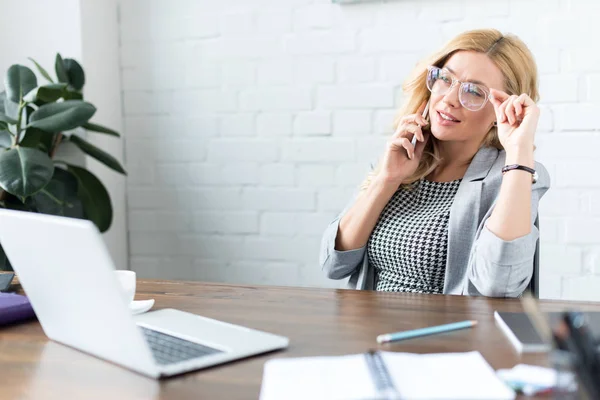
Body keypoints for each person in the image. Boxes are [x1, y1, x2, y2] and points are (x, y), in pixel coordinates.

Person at [319, 29, 550, 297]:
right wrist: (386, 179)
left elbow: (499, 283)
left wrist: (519, 152)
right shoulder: (403, 157)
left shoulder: (516, 174)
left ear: (503, 109)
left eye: (474, 92)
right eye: (445, 79)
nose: (449, 99)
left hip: (449, 336)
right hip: (370, 333)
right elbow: (332, 264)